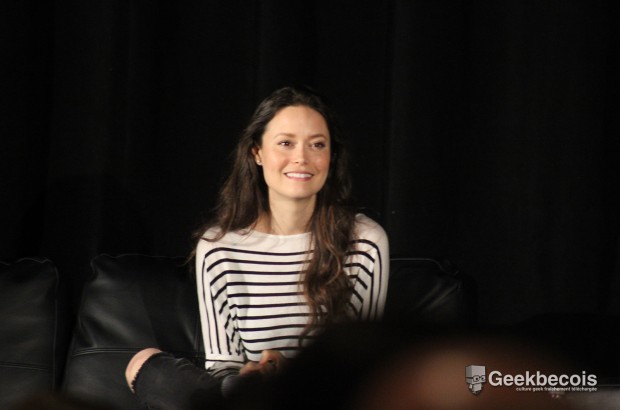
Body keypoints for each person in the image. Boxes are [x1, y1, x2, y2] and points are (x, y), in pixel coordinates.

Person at [124, 86, 389, 409]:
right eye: (286, 143)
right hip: (252, 402)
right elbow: (222, 366)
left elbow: (368, 367)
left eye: (317, 144)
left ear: (331, 157)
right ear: (257, 153)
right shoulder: (218, 248)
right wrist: (250, 378)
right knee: (143, 364)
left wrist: (292, 374)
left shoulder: (365, 240)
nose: (302, 157)